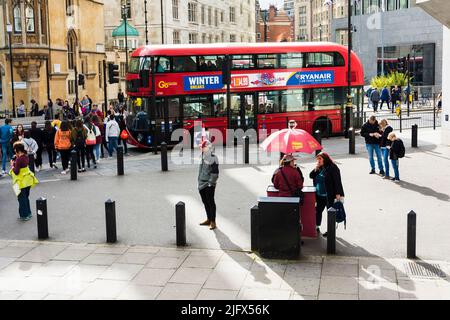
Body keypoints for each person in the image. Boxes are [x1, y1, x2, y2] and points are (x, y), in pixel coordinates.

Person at [309, 152, 344, 236]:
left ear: (325, 159)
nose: (318, 161)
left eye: (320, 159)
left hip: (329, 195)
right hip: (319, 195)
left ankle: (331, 230)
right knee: (318, 211)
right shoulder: (319, 167)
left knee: (330, 213)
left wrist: (338, 193)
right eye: (317, 159)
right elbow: (311, 176)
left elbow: (337, 181)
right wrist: (315, 169)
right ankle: (316, 226)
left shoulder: (333, 167)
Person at [10, 142, 39, 221]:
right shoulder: (25, 156)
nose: (14, 151)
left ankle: (24, 215)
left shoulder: (19, 159)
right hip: (28, 180)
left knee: (21, 198)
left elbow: (16, 171)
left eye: (15, 149)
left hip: (20, 181)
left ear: (17, 150)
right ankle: (28, 213)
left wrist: (12, 165)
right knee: (26, 197)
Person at [198, 140, 219, 230]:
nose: (201, 148)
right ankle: (209, 219)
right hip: (201, 184)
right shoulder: (203, 157)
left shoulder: (213, 158)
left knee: (210, 203)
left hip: (208, 184)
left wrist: (211, 183)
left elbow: (215, 173)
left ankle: (213, 222)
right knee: (205, 202)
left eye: (203, 147)